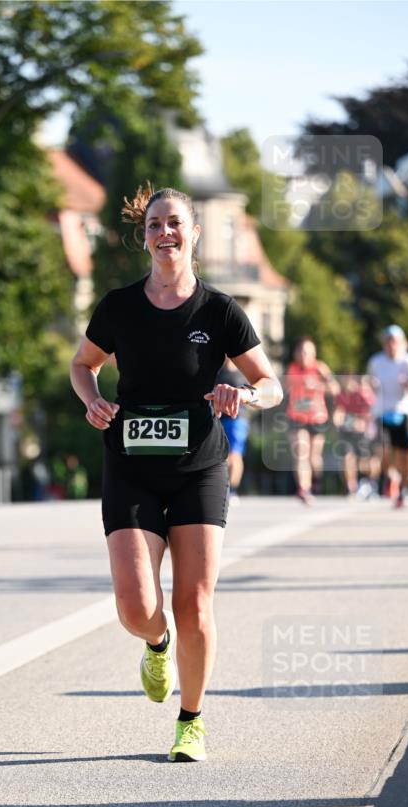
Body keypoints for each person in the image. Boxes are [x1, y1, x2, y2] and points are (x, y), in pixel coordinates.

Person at [70, 183, 282, 763]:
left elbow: (271, 382)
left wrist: (246, 394)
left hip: (199, 469)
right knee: (136, 607)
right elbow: (82, 364)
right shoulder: (118, 307)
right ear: (145, 238)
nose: (166, 233)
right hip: (131, 466)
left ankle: (191, 721)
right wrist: (91, 399)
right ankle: (156, 644)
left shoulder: (219, 311)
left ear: (195, 235)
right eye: (155, 225)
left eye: (175, 224)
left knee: (194, 602)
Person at [367, 325, 408, 508]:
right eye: (388, 341)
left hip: (405, 412)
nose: (391, 345)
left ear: (402, 342)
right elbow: (371, 382)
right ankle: (392, 476)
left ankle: (402, 486)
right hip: (382, 412)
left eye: (394, 341)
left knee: (406, 453)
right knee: (384, 453)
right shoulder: (376, 361)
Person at [285, 338, 340, 504]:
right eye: (301, 351)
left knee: (314, 457)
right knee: (301, 452)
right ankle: (304, 488)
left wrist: (318, 384)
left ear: (313, 354)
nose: (303, 355)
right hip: (297, 416)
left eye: (307, 352)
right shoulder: (292, 368)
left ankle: (316, 481)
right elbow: (287, 389)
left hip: (317, 417)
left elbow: (335, 389)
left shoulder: (320, 368)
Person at [332, 373, 376, 498]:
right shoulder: (341, 396)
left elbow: (371, 410)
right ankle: (351, 486)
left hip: (362, 430)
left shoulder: (363, 393)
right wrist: (337, 422)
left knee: (364, 460)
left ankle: (369, 483)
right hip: (346, 430)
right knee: (347, 458)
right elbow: (338, 411)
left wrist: (363, 422)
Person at [215, 359, 250, 503]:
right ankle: (223, 488)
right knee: (222, 457)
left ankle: (233, 490)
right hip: (219, 419)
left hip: (237, 419)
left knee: (235, 455)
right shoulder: (218, 372)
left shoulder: (243, 373)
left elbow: (253, 395)